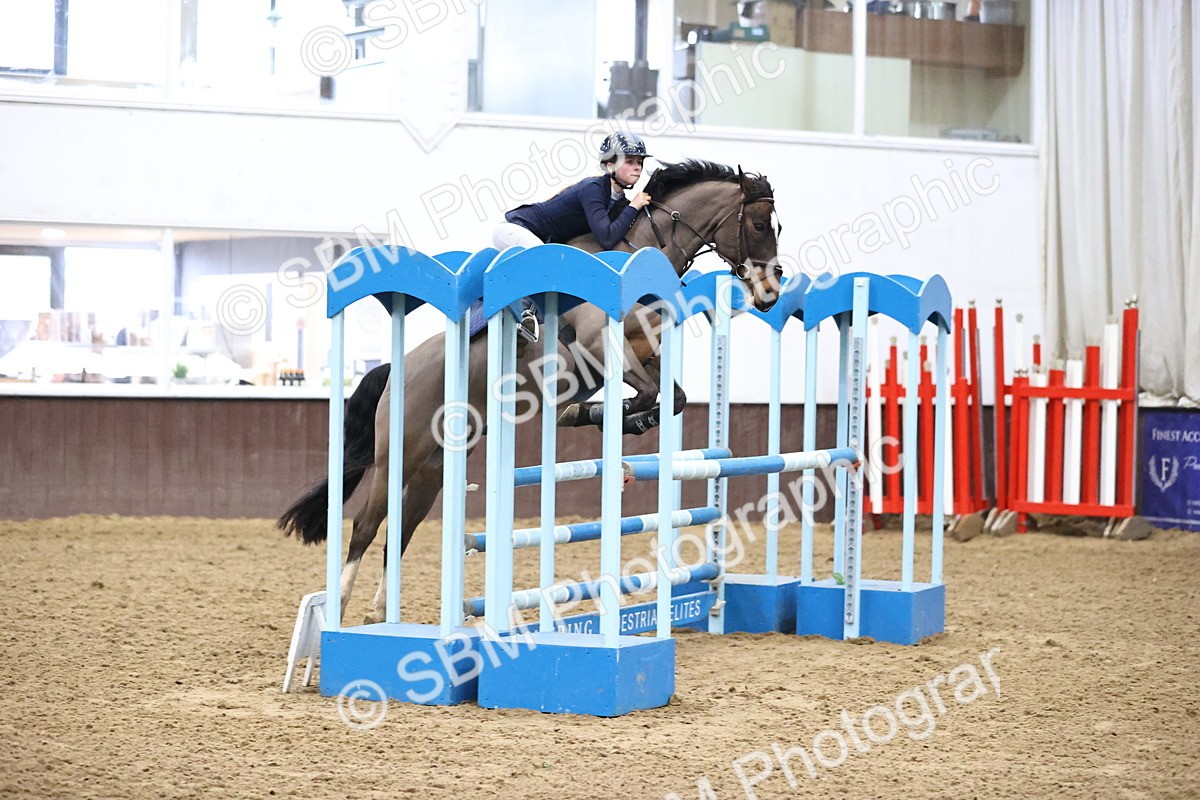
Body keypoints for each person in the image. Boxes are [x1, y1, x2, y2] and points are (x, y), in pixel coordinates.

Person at [492, 131, 654, 251]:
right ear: (610, 166)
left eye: (639, 162)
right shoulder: (593, 189)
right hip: (516, 229)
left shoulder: (619, 201)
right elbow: (606, 238)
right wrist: (633, 206)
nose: (637, 167)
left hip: (541, 241)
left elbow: (615, 234)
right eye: (629, 161)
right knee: (545, 259)